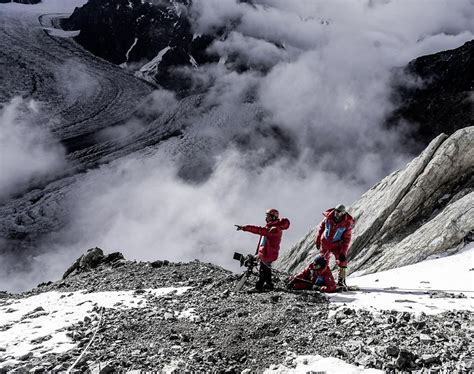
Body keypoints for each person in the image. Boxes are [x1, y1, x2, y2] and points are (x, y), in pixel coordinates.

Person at [235, 208, 290, 291]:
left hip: (268, 254)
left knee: (263, 271)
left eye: (267, 216)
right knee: (266, 270)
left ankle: (258, 287)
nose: (266, 218)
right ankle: (269, 285)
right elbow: (263, 242)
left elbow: (259, 230)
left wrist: (245, 228)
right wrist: (258, 253)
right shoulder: (271, 227)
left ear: (272, 217)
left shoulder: (274, 229)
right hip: (266, 253)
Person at [315, 204, 354, 290]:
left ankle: (341, 281)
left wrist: (343, 253)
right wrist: (317, 241)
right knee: (322, 262)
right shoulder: (328, 218)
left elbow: (346, 240)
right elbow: (321, 228)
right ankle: (321, 279)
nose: (337, 213)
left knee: (342, 262)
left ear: (343, 213)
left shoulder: (346, 224)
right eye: (337, 211)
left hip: (336, 246)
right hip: (324, 243)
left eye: (340, 212)